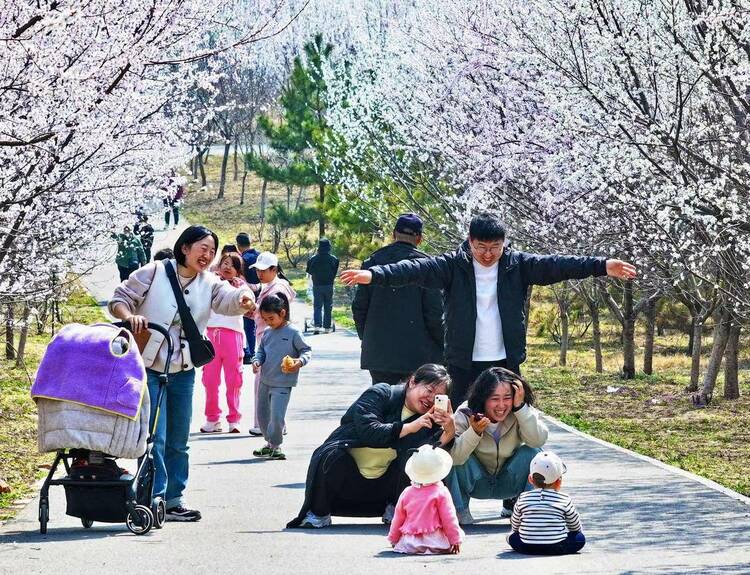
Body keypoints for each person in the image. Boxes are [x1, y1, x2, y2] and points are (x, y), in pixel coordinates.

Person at [341, 211, 637, 406]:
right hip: (461, 362)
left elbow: (558, 265)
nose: (487, 254)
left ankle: (512, 502)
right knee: (453, 428)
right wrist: (375, 275)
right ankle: (456, 499)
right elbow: (415, 269)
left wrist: (601, 265)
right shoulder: (452, 267)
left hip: (505, 360)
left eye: (494, 247)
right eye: (481, 247)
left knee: (513, 422)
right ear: (470, 242)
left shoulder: (517, 265)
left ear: (504, 244)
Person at [109, 225, 256, 522]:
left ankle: (175, 499)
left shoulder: (209, 283)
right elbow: (119, 300)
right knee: (156, 436)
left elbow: (228, 298)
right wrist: (130, 316)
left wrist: (243, 297)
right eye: (202, 248)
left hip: (183, 369)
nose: (208, 255)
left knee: (179, 438)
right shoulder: (153, 272)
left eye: (212, 251)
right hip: (149, 365)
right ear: (185, 248)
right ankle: (153, 496)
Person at [287, 363, 456, 529]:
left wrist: (449, 430)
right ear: (412, 382)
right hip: (347, 477)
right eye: (429, 390)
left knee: (418, 458)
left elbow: (430, 453)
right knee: (332, 456)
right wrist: (410, 427)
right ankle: (319, 513)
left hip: (384, 485)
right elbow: (369, 431)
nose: (430, 399)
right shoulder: (381, 393)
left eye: (437, 397)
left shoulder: (430, 420)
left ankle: (397, 507)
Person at [446, 367, 547, 525]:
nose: (501, 405)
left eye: (507, 397)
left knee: (534, 452)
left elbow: (538, 440)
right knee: (450, 455)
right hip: (477, 482)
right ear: (483, 398)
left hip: (509, 481)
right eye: (494, 398)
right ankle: (459, 511)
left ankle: (529, 510)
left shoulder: (520, 410)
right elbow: (455, 458)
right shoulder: (466, 412)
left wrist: (521, 409)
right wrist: (474, 432)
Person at [351, 213, 444, 385]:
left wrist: (368, 337)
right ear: (419, 238)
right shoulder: (426, 266)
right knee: (415, 406)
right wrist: (441, 346)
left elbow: (359, 307)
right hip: (418, 355)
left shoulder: (372, 263)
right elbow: (434, 314)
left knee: (383, 403)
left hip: (379, 353)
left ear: (394, 234)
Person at [251, 293, 312, 461]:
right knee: (263, 416)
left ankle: (276, 445)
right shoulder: (267, 333)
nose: (268, 322)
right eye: (265, 319)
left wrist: (298, 362)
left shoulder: (293, 332)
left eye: (271, 318)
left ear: (282, 313)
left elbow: (306, 350)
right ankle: (269, 444)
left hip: (283, 383)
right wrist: (256, 361)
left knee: (276, 416)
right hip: (265, 381)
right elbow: (261, 351)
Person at [247, 251, 296, 436]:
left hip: (273, 342)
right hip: (268, 340)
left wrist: (254, 309)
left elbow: (276, 317)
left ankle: (266, 425)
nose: (259, 274)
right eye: (258, 270)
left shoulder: (278, 289)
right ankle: (272, 424)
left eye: (263, 270)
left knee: (267, 386)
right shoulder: (271, 286)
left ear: (274, 269)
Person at [200, 252, 248, 434]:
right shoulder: (212, 284)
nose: (227, 267)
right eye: (224, 263)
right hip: (212, 335)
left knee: (234, 380)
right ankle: (212, 419)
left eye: (232, 265)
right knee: (209, 380)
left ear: (238, 270)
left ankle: (234, 419)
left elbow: (248, 299)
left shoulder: (240, 287)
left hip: (233, 336)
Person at [387, 444, 463, 555]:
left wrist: (393, 539)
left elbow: (398, 518)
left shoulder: (407, 492)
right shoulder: (441, 492)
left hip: (410, 543)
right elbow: (449, 519)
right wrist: (455, 540)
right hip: (436, 542)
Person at [508, 451, 585, 555]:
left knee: (512, 537)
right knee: (580, 538)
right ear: (559, 481)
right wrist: (576, 532)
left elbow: (515, 522)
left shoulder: (523, 497)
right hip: (556, 547)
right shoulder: (564, 499)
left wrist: (515, 532)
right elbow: (574, 524)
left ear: (530, 479)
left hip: (526, 546)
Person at [306, 238, 339, 333]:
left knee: (317, 306)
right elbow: (335, 271)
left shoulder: (313, 259)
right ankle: (327, 327)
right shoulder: (334, 259)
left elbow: (309, 271)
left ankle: (317, 326)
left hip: (317, 285)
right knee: (328, 306)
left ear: (319, 247)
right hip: (329, 285)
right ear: (329, 248)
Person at [236, 232, 260, 364]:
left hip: (247, 294)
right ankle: (257, 351)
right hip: (261, 292)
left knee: (248, 325)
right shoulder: (260, 256)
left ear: (238, 245)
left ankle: (250, 352)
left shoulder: (242, 260)